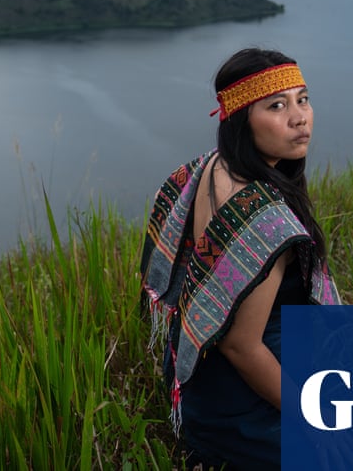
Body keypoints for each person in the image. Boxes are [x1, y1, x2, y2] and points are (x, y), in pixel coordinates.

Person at [140, 47, 342, 470]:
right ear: (239, 118)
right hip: (237, 407)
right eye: (277, 106)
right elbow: (240, 346)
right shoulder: (263, 222)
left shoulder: (207, 168)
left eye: (303, 100)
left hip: (204, 382)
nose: (300, 118)